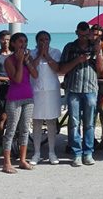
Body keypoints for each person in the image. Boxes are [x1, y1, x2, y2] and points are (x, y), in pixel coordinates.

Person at [59, 22, 103, 167]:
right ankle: (76, 153)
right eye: (82, 34)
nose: (84, 38)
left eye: (87, 35)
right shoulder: (69, 47)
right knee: (74, 123)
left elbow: (101, 69)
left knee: (89, 123)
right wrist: (78, 60)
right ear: (76, 32)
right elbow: (62, 69)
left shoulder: (95, 46)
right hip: (73, 88)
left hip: (90, 88)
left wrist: (98, 52)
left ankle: (88, 152)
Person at [2, 33, 38, 174]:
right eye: (20, 41)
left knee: (24, 129)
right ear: (13, 44)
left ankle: (22, 160)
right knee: (11, 129)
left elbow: (35, 75)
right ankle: (7, 162)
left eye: (25, 41)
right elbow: (16, 79)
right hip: (14, 98)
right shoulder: (9, 60)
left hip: (28, 97)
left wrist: (26, 61)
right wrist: (19, 61)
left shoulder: (27, 59)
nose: (23, 44)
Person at [29, 31, 62, 165]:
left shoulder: (56, 52)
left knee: (51, 122)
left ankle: (51, 152)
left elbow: (57, 69)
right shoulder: (31, 53)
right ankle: (36, 152)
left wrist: (46, 55)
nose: (44, 42)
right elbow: (32, 67)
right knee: (36, 121)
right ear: (36, 41)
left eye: (46, 39)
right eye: (41, 40)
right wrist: (39, 55)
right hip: (36, 91)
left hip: (51, 91)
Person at [0, 30, 12, 155]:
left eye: (8, 39)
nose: (6, 42)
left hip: (14, 88)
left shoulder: (14, 55)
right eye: (4, 39)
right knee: (3, 117)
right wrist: (6, 79)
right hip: (2, 88)